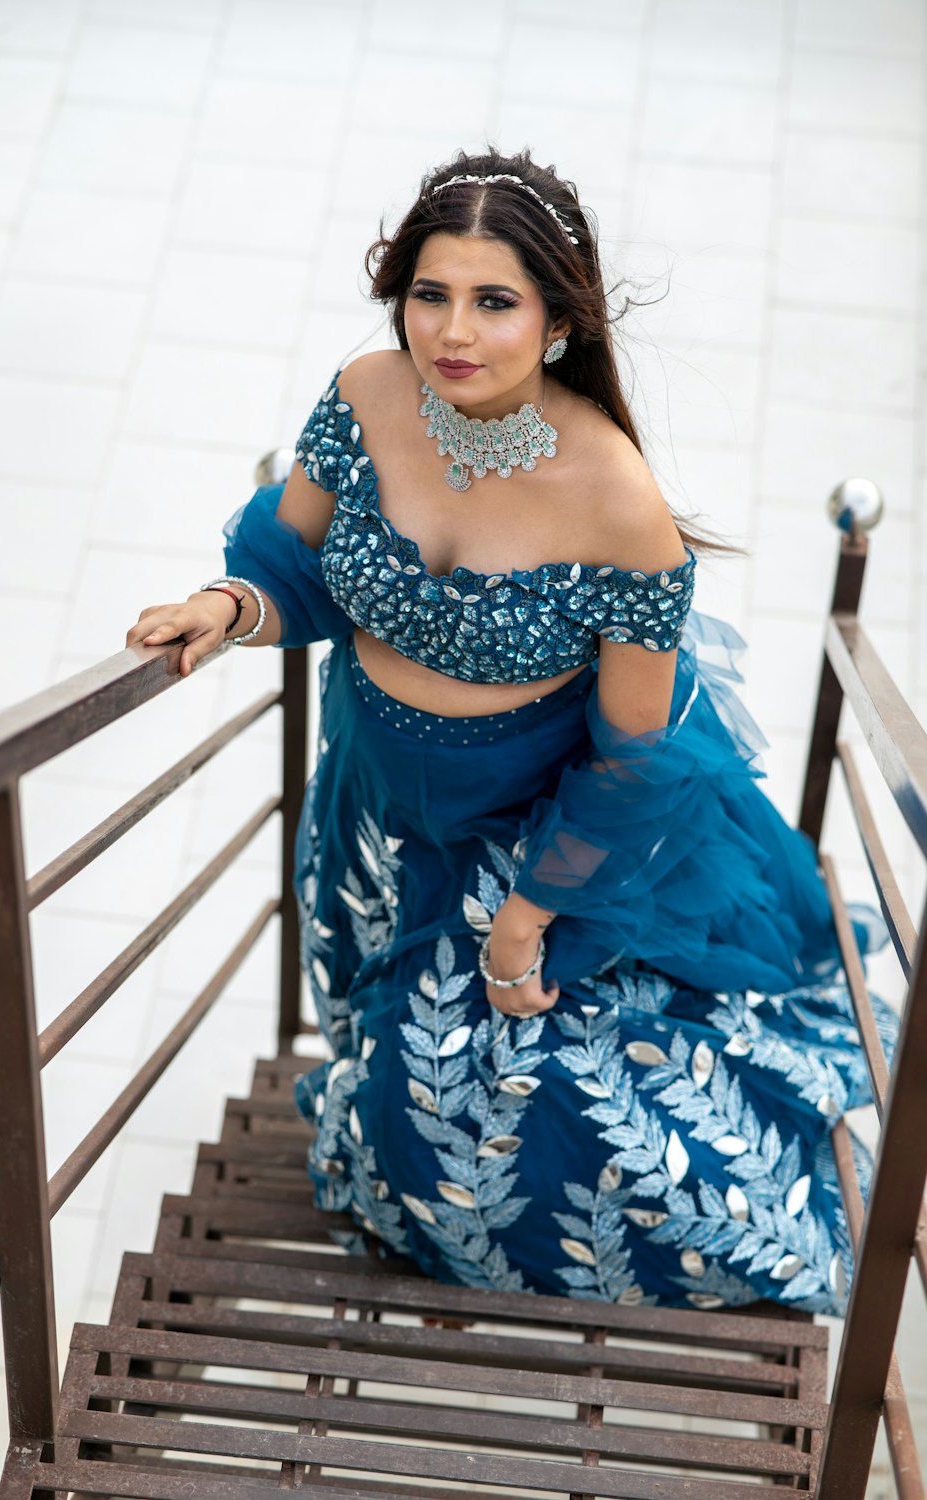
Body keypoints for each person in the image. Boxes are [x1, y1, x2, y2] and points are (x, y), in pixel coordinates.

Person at [127, 148, 889, 1315]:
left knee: (533, 1120)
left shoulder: (616, 499)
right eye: (429, 294)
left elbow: (634, 752)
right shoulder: (369, 395)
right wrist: (227, 608)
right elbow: (295, 559)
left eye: (493, 301)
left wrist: (530, 914)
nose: (452, 332)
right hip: (376, 800)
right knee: (385, 1043)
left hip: (533, 837)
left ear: (558, 320)